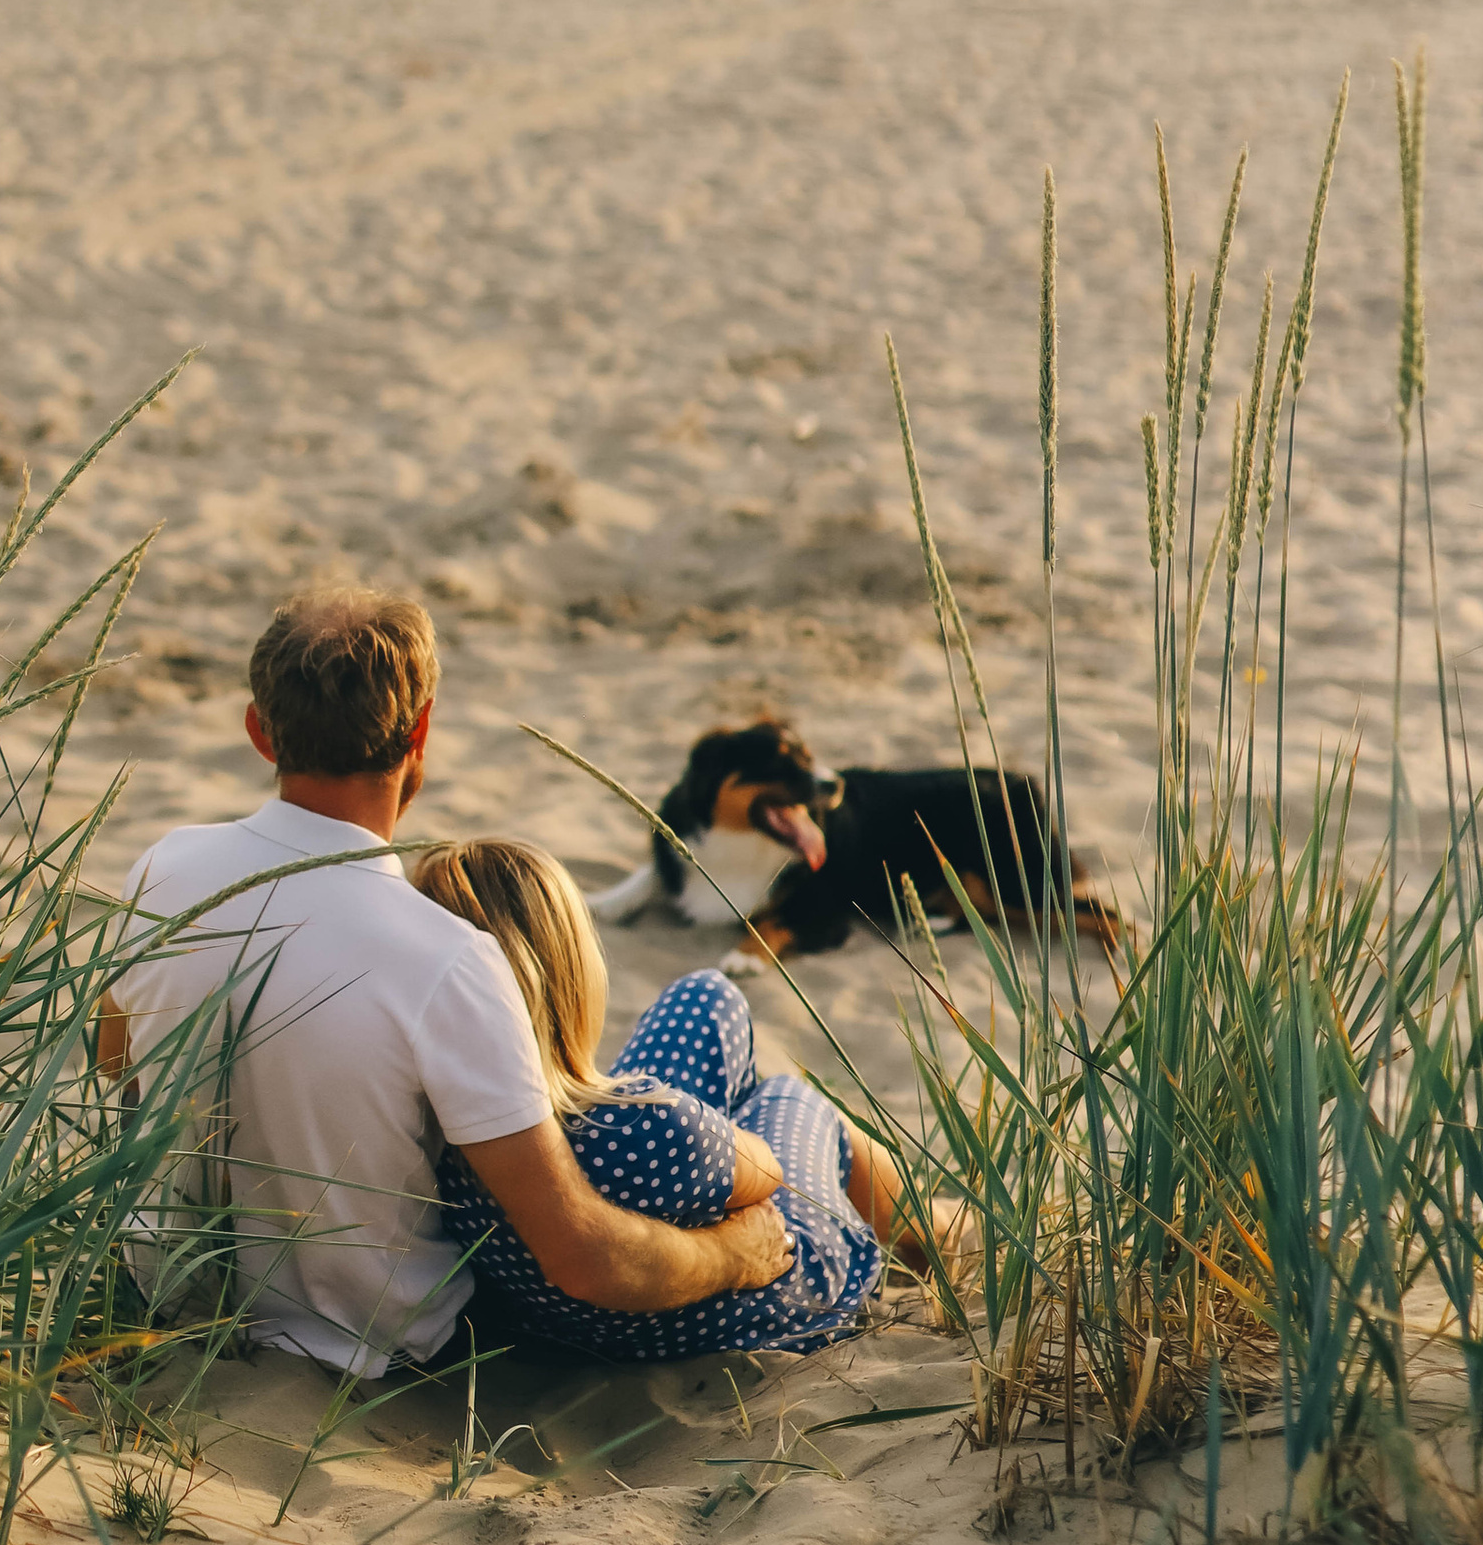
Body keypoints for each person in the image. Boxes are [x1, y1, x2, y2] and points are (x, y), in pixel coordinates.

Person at [96, 587, 793, 1375]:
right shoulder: (448, 959)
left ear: (260, 731)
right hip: (386, 1352)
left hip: (174, 1309)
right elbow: (580, 1257)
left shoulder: (162, 870)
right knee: (769, 1096)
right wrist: (736, 1256)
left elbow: (116, 1062)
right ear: (421, 730)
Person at [413, 835, 936, 1359]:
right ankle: (931, 1236)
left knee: (707, 995)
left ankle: (925, 1221)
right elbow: (768, 1168)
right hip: (771, 1299)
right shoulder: (645, 1123)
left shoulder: (434, 1125)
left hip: (548, 1313)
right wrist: (704, 1132)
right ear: (568, 969)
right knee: (788, 1099)